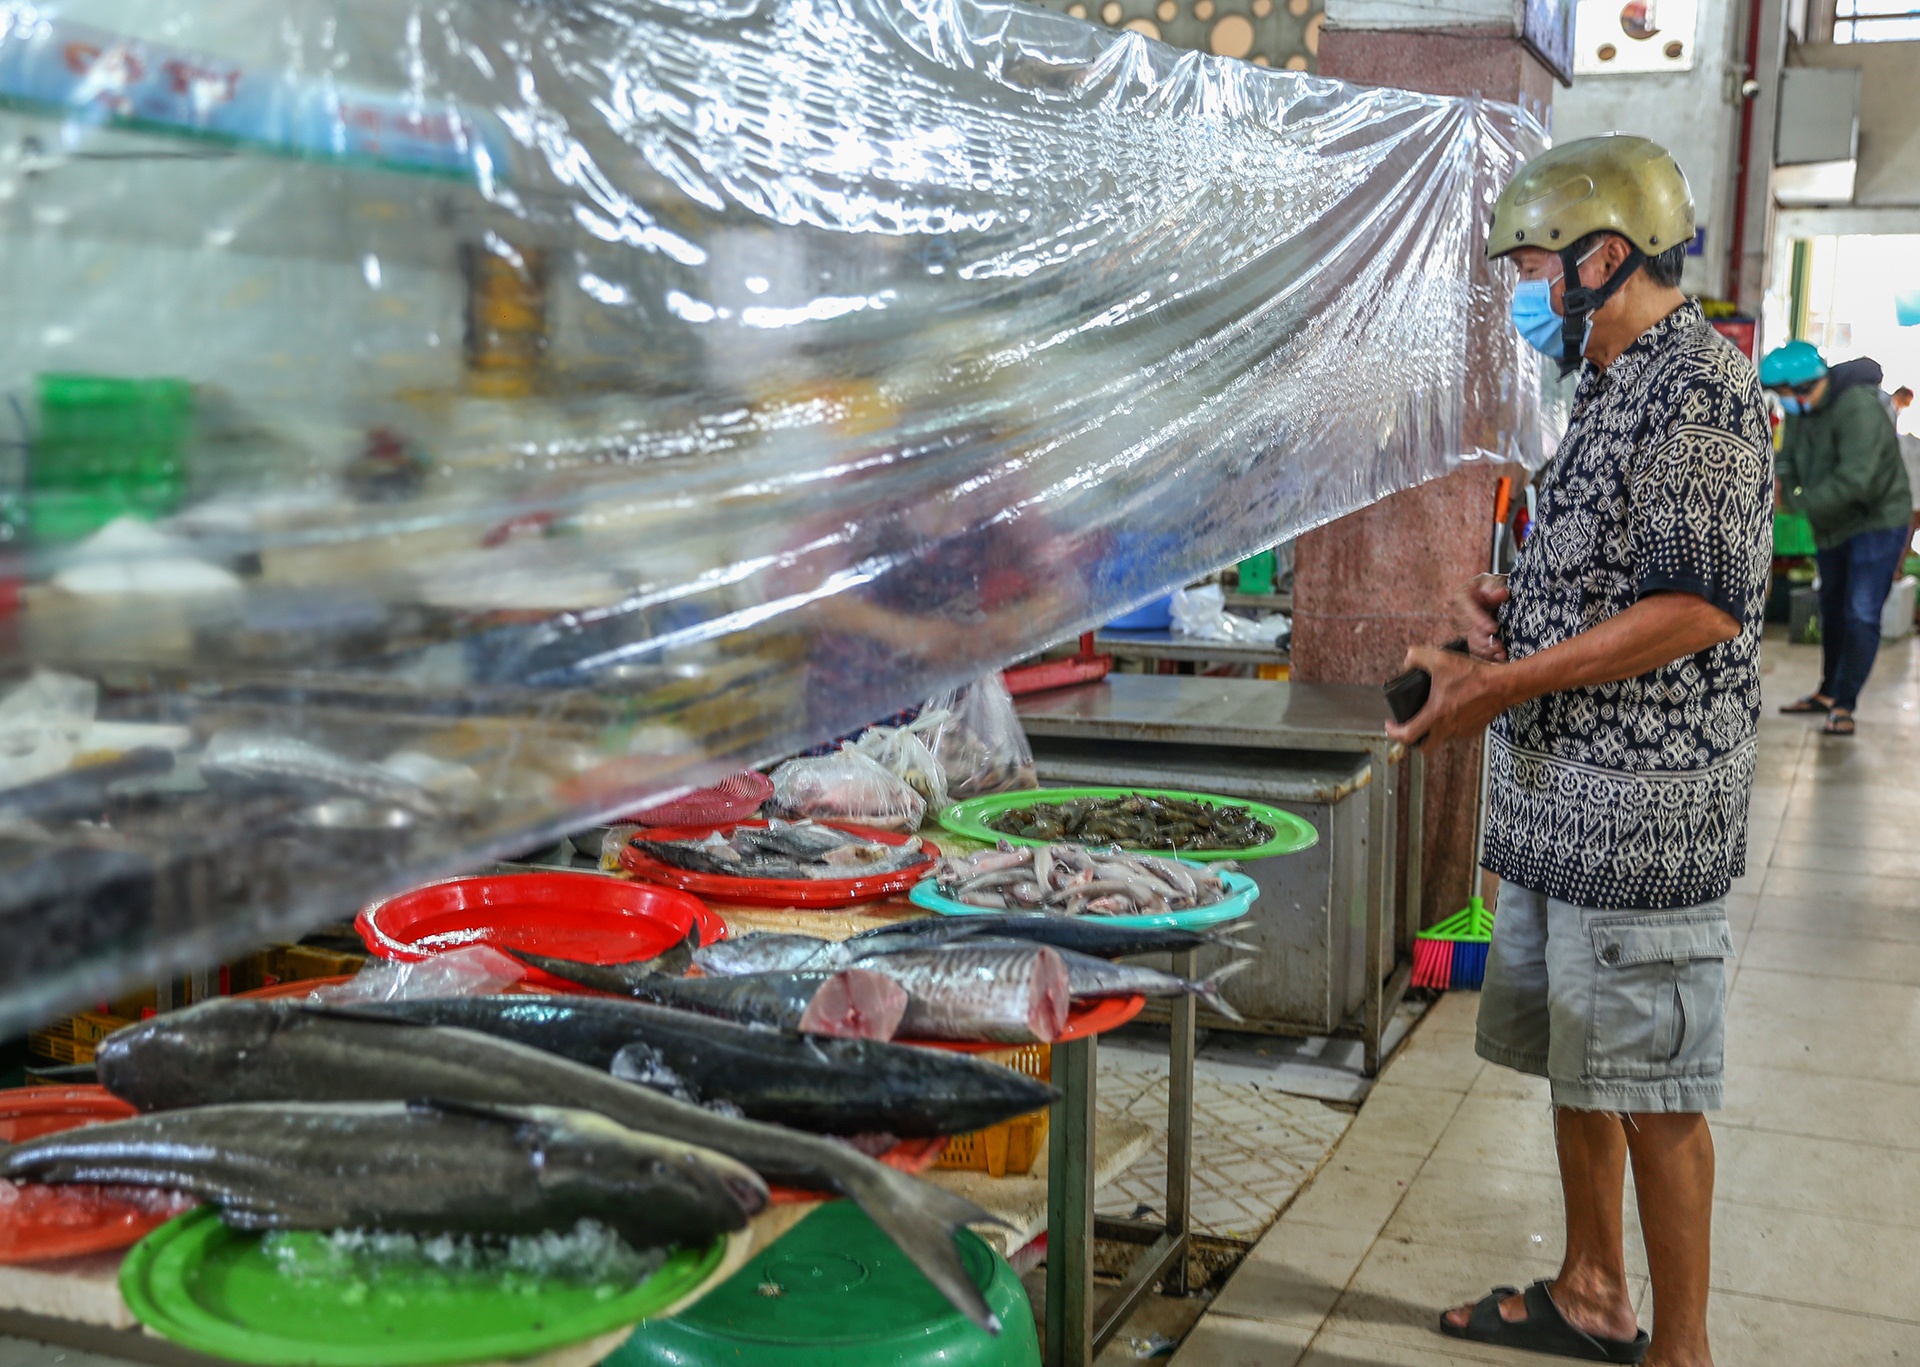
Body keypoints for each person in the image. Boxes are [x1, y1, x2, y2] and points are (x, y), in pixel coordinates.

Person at [1387, 134, 1771, 1367]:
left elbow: (1699, 603)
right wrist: (1518, 616)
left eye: (1540, 263)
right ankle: (1595, 1285)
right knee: (1583, 1059)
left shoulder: (1700, 391)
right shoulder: (1609, 384)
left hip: (1643, 816)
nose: (1530, 291)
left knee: (1656, 1086)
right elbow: (1620, 579)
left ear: (1606, 257)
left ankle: (1683, 1348)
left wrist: (1500, 683)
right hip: (1564, 808)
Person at [1762, 340, 1911, 736]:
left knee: (1860, 612)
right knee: (1832, 608)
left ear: (1802, 385)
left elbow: (1857, 482)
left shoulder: (1858, 406)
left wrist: (1798, 505)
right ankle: (1829, 692)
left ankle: (1844, 705)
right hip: (1833, 523)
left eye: (1784, 395)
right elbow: (1789, 458)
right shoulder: (1803, 409)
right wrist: (1785, 485)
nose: (1784, 404)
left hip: (1875, 521)